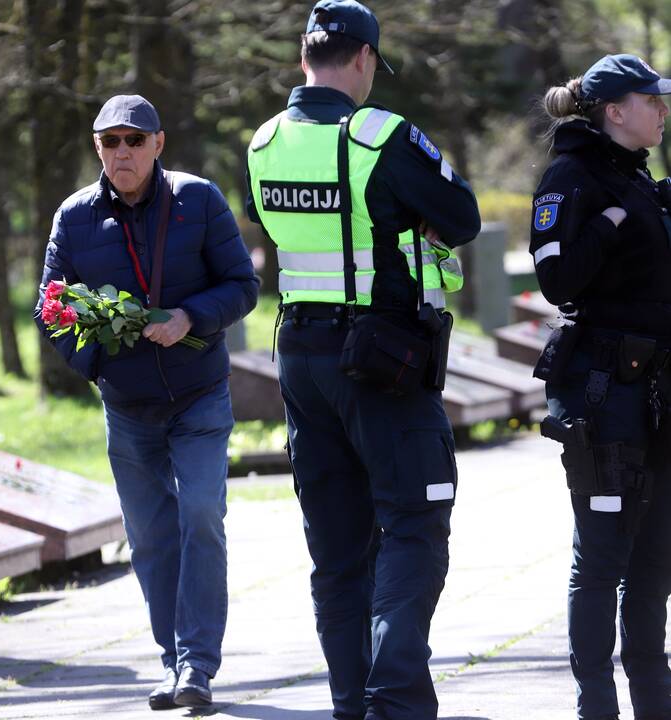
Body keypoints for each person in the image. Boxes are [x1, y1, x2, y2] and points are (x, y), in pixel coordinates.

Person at [245, 2, 480, 718]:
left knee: (339, 549)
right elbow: (462, 219)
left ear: (304, 58)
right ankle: (396, 703)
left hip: (298, 357)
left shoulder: (263, 142)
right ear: (364, 59)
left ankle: (353, 702)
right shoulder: (380, 136)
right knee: (414, 523)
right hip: (380, 358)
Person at [35, 94, 258, 710]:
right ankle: (173, 660)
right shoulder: (74, 217)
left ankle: (198, 665)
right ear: (97, 149)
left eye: (135, 139)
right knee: (152, 537)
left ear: (159, 144)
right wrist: (100, 362)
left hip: (198, 396)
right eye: (111, 142)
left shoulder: (199, 200)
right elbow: (50, 309)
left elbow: (244, 286)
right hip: (127, 407)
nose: (123, 152)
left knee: (202, 518)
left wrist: (190, 317)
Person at [531, 55, 671, 720]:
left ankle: (653, 704)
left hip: (655, 398)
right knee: (602, 562)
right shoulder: (573, 176)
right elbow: (559, 281)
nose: (662, 111)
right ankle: (595, 707)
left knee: (652, 565)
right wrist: (610, 222)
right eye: (652, 100)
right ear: (614, 110)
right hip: (602, 397)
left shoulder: (637, 179)